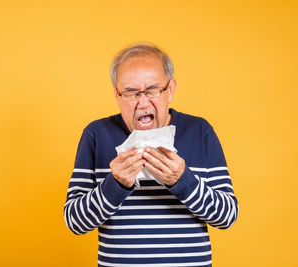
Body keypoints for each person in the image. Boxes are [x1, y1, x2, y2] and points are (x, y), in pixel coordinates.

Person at [64, 43, 238, 266]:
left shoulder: (199, 131)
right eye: (130, 92)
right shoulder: (96, 134)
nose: (143, 102)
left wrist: (183, 181)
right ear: (117, 95)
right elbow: (74, 222)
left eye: (153, 90)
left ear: (171, 90)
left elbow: (227, 216)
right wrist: (115, 185)